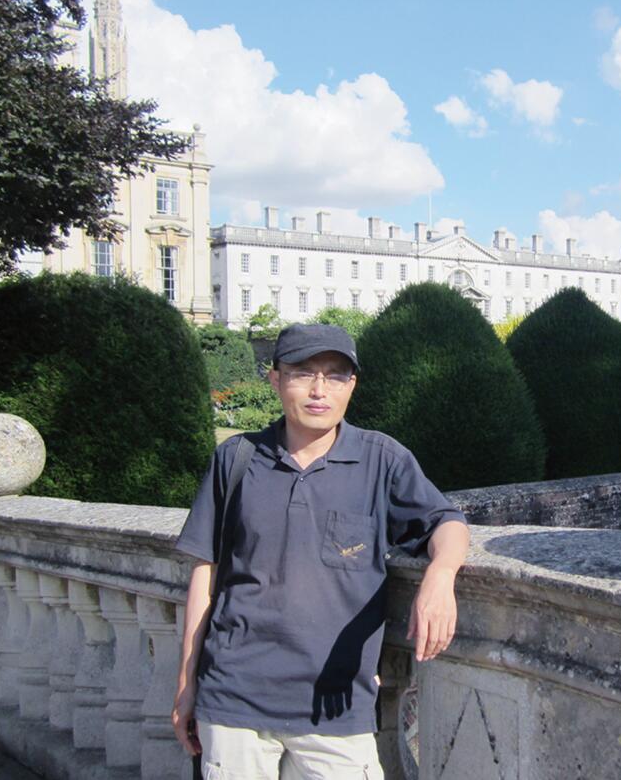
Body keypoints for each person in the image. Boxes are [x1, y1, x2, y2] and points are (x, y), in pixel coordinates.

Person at [171, 323, 469, 779]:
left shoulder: (381, 460)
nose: (319, 389)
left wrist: (441, 576)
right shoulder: (237, 459)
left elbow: (447, 523)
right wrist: (186, 684)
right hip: (234, 701)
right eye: (303, 373)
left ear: (352, 385)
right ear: (275, 379)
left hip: (337, 708)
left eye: (334, 375)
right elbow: (206, 577)